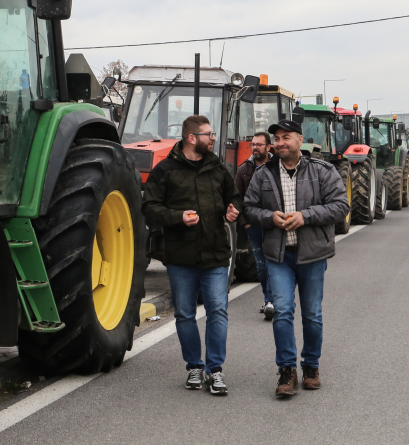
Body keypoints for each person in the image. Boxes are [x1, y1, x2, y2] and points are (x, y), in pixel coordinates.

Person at [243, 120, 350, 397]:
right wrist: (270, 217)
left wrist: (306, 216)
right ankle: (287, 370)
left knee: (312, 315)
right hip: (279, 256)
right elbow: (250, 208)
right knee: (282, 312)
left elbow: (340, 206)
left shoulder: (322, 171)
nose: (279, 143)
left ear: (299, 140)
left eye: (285, 137)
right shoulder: (263, 174)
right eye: (276, 138)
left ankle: (311, 366)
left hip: (313, 255)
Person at [142, 115, 242, 396]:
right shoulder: (166, 170)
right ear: (191, 138)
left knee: (217, 311)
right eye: (208, 134)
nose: (213, 138)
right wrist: (177, 217)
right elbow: (149, 206)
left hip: (215, 253)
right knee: (185, 314)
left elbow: (233, 196)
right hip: (181, 256)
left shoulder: (217, 168)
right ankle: (194, 367)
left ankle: (215, 370)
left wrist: (233, 209)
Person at [234, 132, 274, 320]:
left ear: (268, 147)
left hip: (275, 224)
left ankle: (275, 300)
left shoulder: (278, 166)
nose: (255, 147)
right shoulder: (244, 170)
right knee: (261, 264)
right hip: (254, 226)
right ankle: (268, 300)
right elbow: (237, 199)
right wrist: (246, 223)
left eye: (259, 144)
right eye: (253, 144)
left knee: (276, 262)